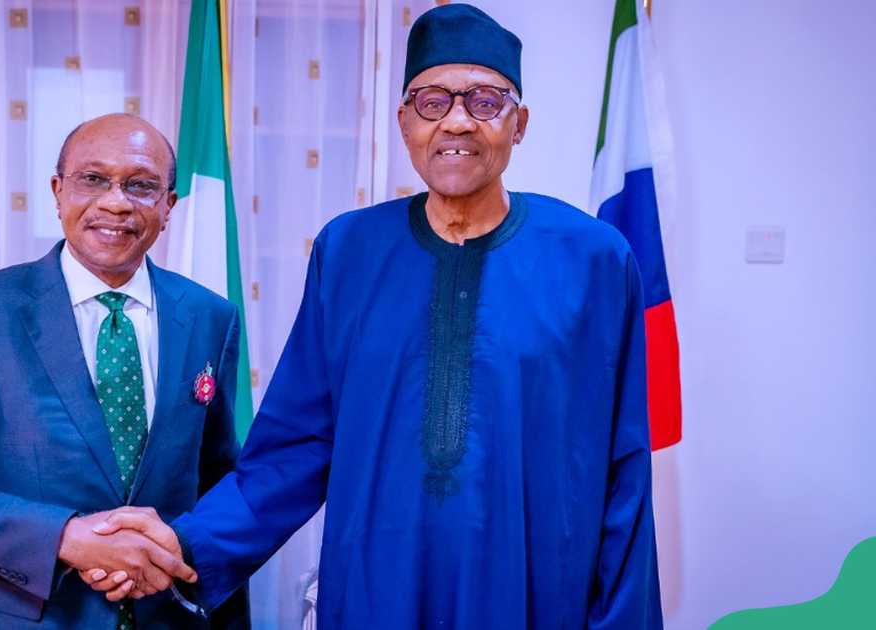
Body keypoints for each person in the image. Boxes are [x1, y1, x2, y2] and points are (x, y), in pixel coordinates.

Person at [90, 4, 663, 628]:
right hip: (376, 590)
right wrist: (185, 545)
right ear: (404, 121)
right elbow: (297, 445)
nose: (457, 123)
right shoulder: (349, 251)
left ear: (519, 123)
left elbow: (623, 464)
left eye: (485, 102)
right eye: (432, 101)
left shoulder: (593, 259)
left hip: (531, 591)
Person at [0, 113, 250, 629]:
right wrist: (65, 538)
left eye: (141, 186)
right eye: (93, 179)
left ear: (168, 206)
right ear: (58, 191)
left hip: (171, 615)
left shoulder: (211, 317)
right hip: (27, 616)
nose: (116, 201)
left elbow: (218, 481)